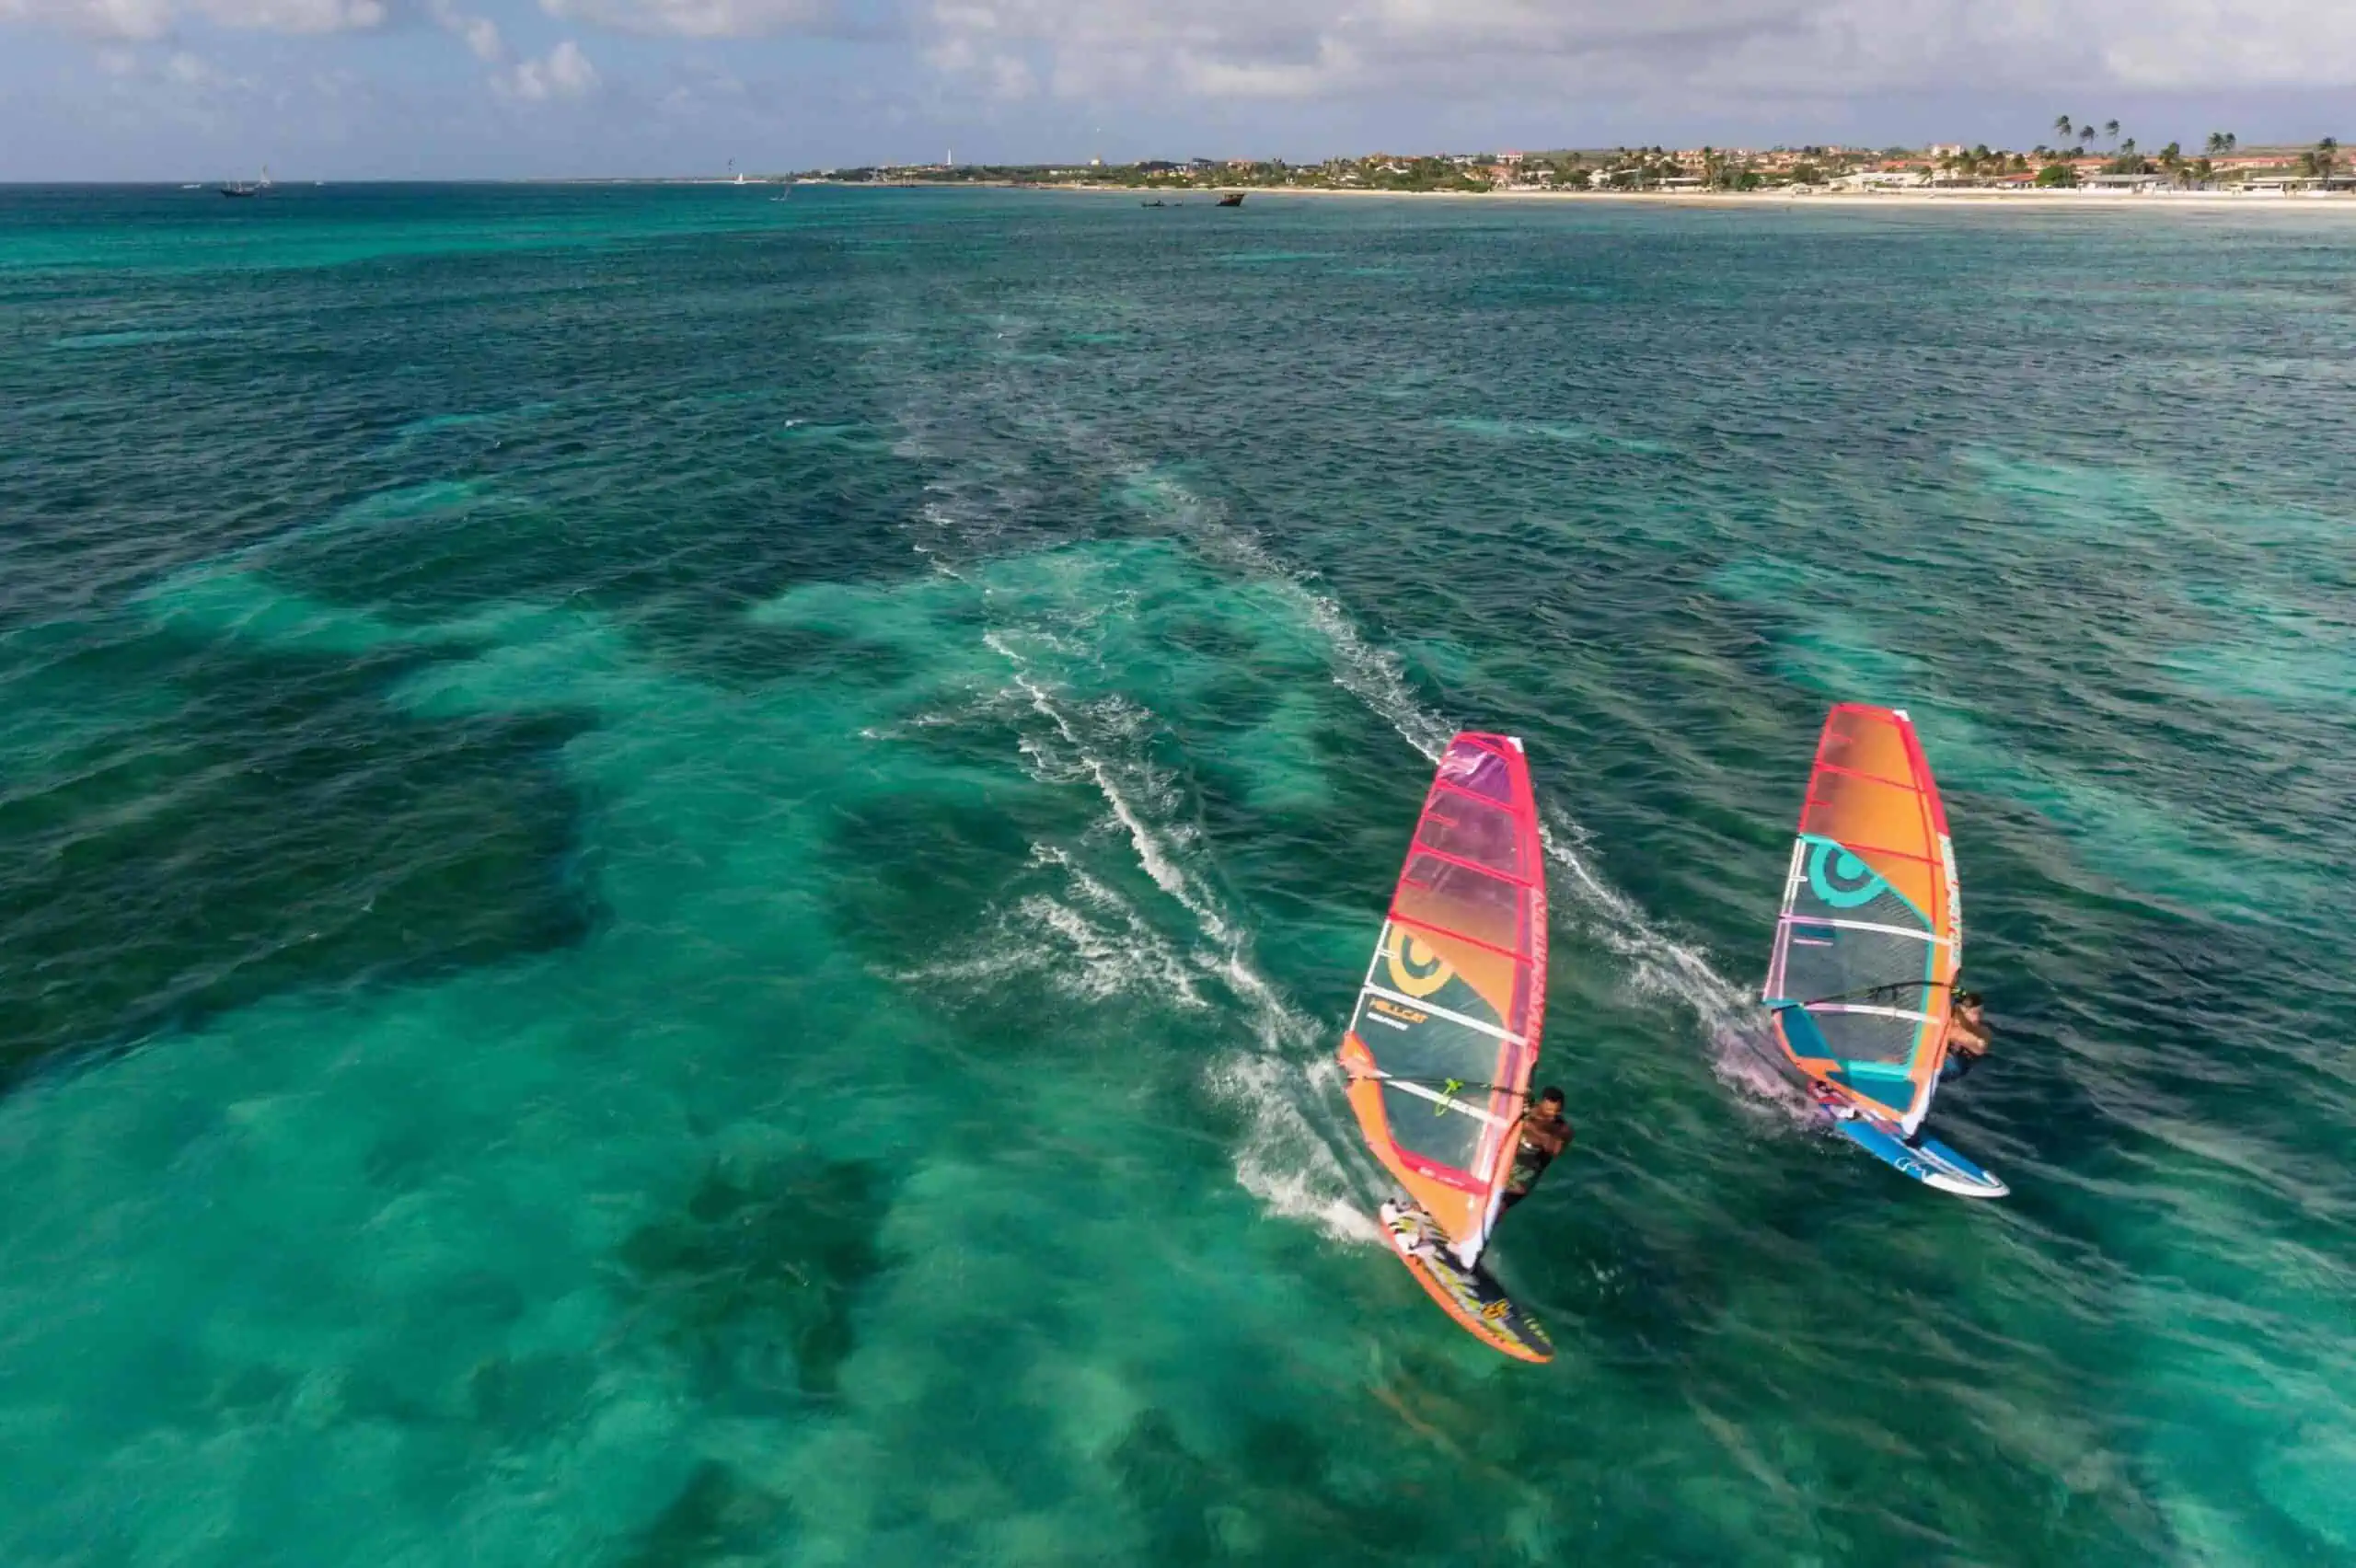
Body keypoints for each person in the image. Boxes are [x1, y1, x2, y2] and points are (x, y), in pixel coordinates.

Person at [1500, 1088, 1572, 1212]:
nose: (1553, 1115)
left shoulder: (1562, 1130)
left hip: (1522, 1178)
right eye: (1549, 1110)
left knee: (1500, 1207)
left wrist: (1530, 1128)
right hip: (1504, 1163)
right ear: (1541, 1104)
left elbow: (1556, 1150)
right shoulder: (1530, 1111)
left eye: (1557, 1111)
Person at [1940, 990, 1992, 1081]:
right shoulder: (1952, 1017)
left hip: (1958, 1063)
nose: (1977, 1018)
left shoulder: (1983, 1032)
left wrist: (1952, 1034)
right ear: (1960, 1010)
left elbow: (1980, 1047)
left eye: (1980, 1013)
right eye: (1973, 1013)